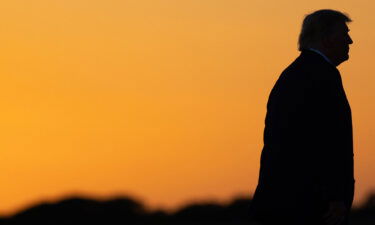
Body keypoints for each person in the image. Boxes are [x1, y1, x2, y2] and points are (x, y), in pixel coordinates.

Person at [250, 9, 355, 225]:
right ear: (326, 39)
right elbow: (329, 141)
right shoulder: (321, 77)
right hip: (309, 206)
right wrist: (335, 197)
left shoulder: (296, 74)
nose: (350, 41)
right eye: (343, 34)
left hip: (286, 202)